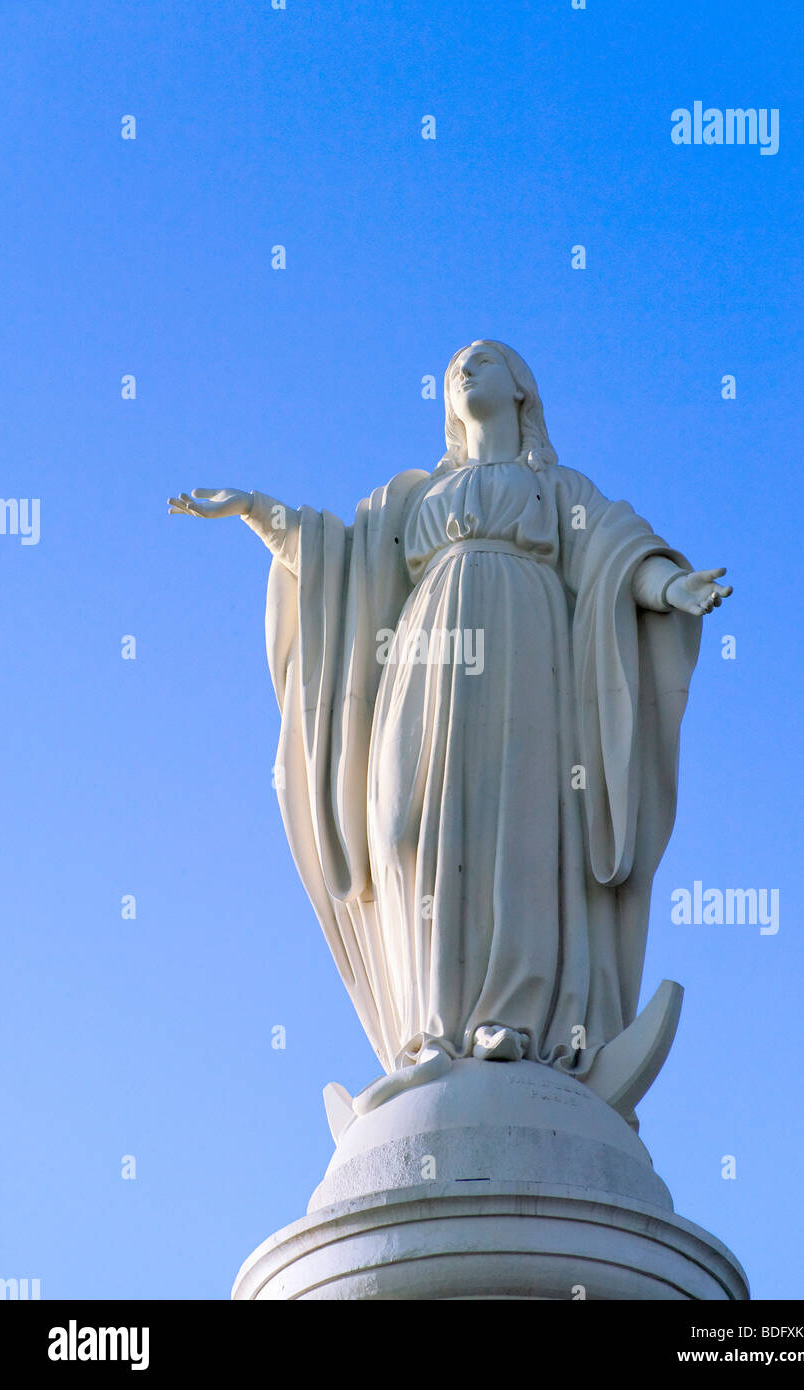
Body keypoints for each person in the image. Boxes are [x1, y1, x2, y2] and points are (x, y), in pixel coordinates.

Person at [169, 340, 731, 1091]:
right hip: (426, 655)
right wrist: (256, 511)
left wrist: (670, 590)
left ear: (522, 392)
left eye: (485, 361)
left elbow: (616, 551)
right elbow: (342, 561)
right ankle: (429, 1027)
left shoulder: (556, 487)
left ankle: (516, 1016)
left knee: (516, 823)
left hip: (527, 648)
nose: (464, 371)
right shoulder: (418, 497)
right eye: (454, 368)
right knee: (404, 827)